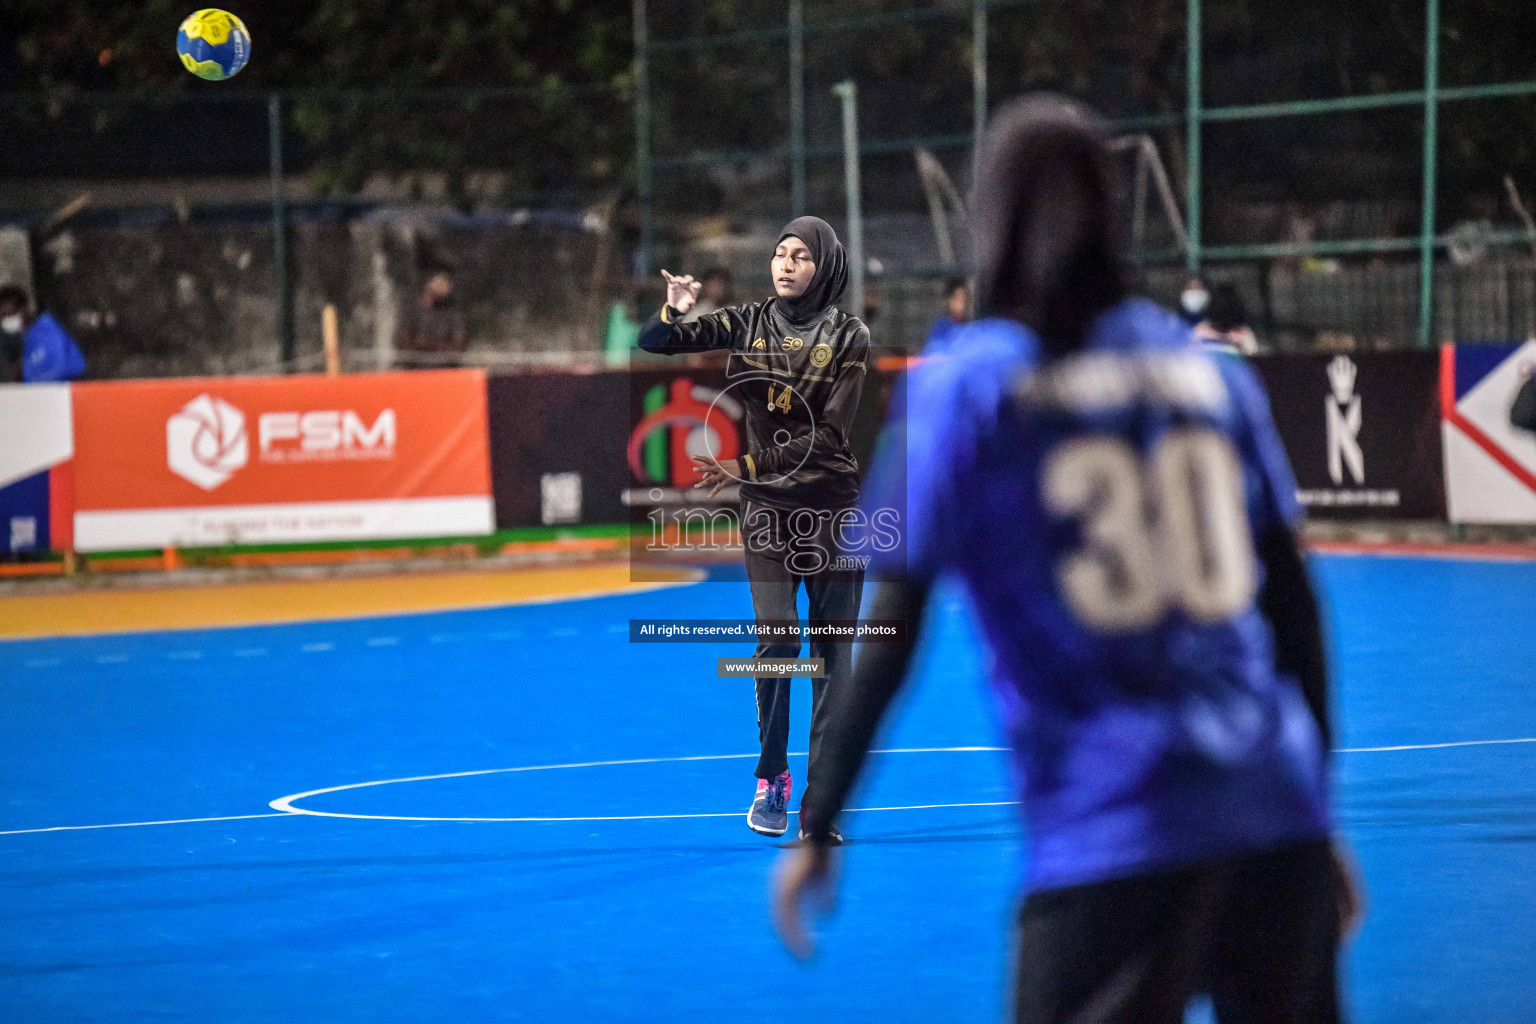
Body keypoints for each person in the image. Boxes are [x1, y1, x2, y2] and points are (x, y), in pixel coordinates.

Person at [772, 96, 1361, 1023]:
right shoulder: (1207, 373)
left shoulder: (964, 392)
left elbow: (888, 632)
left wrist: (819, 823)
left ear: (989, 215)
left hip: (1113, 831)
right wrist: (1318, 811)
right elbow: (1295, 608)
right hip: (1271, 816)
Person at [638, 216, 870, 841]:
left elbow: (825, 438)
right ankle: (773, 780)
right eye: (778, 254)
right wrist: (675, 307)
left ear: (825, 266)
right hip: (768, 512)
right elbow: (654, 342)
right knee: (778, 643)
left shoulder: (850, 335)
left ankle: (823, 800)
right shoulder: (747, 322)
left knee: (832, 659)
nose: (786, 264)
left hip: (833, 513)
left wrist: (740, 464)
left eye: (800, 256)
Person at [401, 270, 468, 368]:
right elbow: (404, 342)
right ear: (428, 284)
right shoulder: (412, 312)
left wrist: (429, 344)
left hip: (444, 372)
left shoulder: (452, 315)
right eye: (440, 282)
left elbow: (459, 346)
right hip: (416, 372)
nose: (446, 286)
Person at [1195, 282, 1260, 357]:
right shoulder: (1201, 333)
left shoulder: (1244, 335)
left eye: (1228, 305)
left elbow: (1250, 361)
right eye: (1219, 305)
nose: (1223, 309)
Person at [924, 276, 972, 351]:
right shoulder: (941, 327)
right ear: (949, 300)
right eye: (957, 298)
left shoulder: (971, 327)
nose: (961, 302)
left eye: (965, 298)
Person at [1, 285, 29, 383]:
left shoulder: (34, 336)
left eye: (11, 314)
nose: (8, 319)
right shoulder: (3, 338)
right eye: (4, 315)